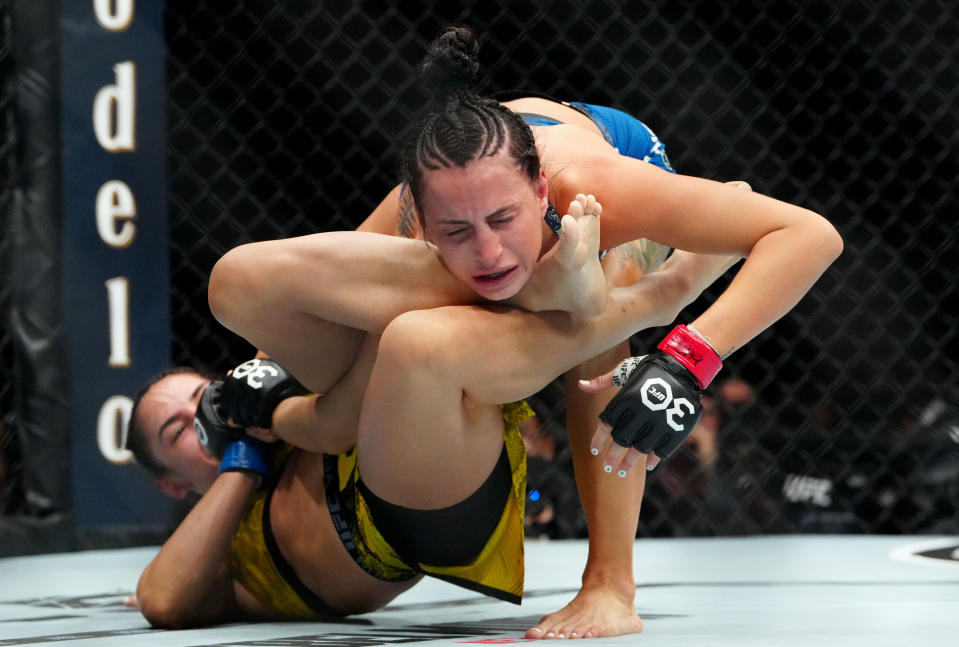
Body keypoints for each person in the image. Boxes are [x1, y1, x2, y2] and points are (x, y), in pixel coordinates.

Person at [205, 25, 840, 638]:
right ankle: (586, 292)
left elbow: (809, 233)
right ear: (421, 222)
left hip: (597, 205)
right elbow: (302, 292)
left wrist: (687, 359)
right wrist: (267, 364)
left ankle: (611, 584)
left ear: (537, 193)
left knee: (592, 331)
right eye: (454, 231)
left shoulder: (595, 189)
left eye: (504, 218)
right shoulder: (418, 205)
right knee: (239, 282)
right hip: (509, 229)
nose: (487, 250)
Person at [129, 200, 736, 636]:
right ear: (172, 484)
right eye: (179, 429)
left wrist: (263, 379)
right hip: (410, 513)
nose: (202, 415)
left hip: (396, 423)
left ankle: (537, 253)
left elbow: (332, 411)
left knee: (246, 281)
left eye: (202, 396)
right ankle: (644, 295)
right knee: (417, 343)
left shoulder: (283, 416)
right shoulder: (214, 555)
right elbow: (162, 600)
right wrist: (245, 450)